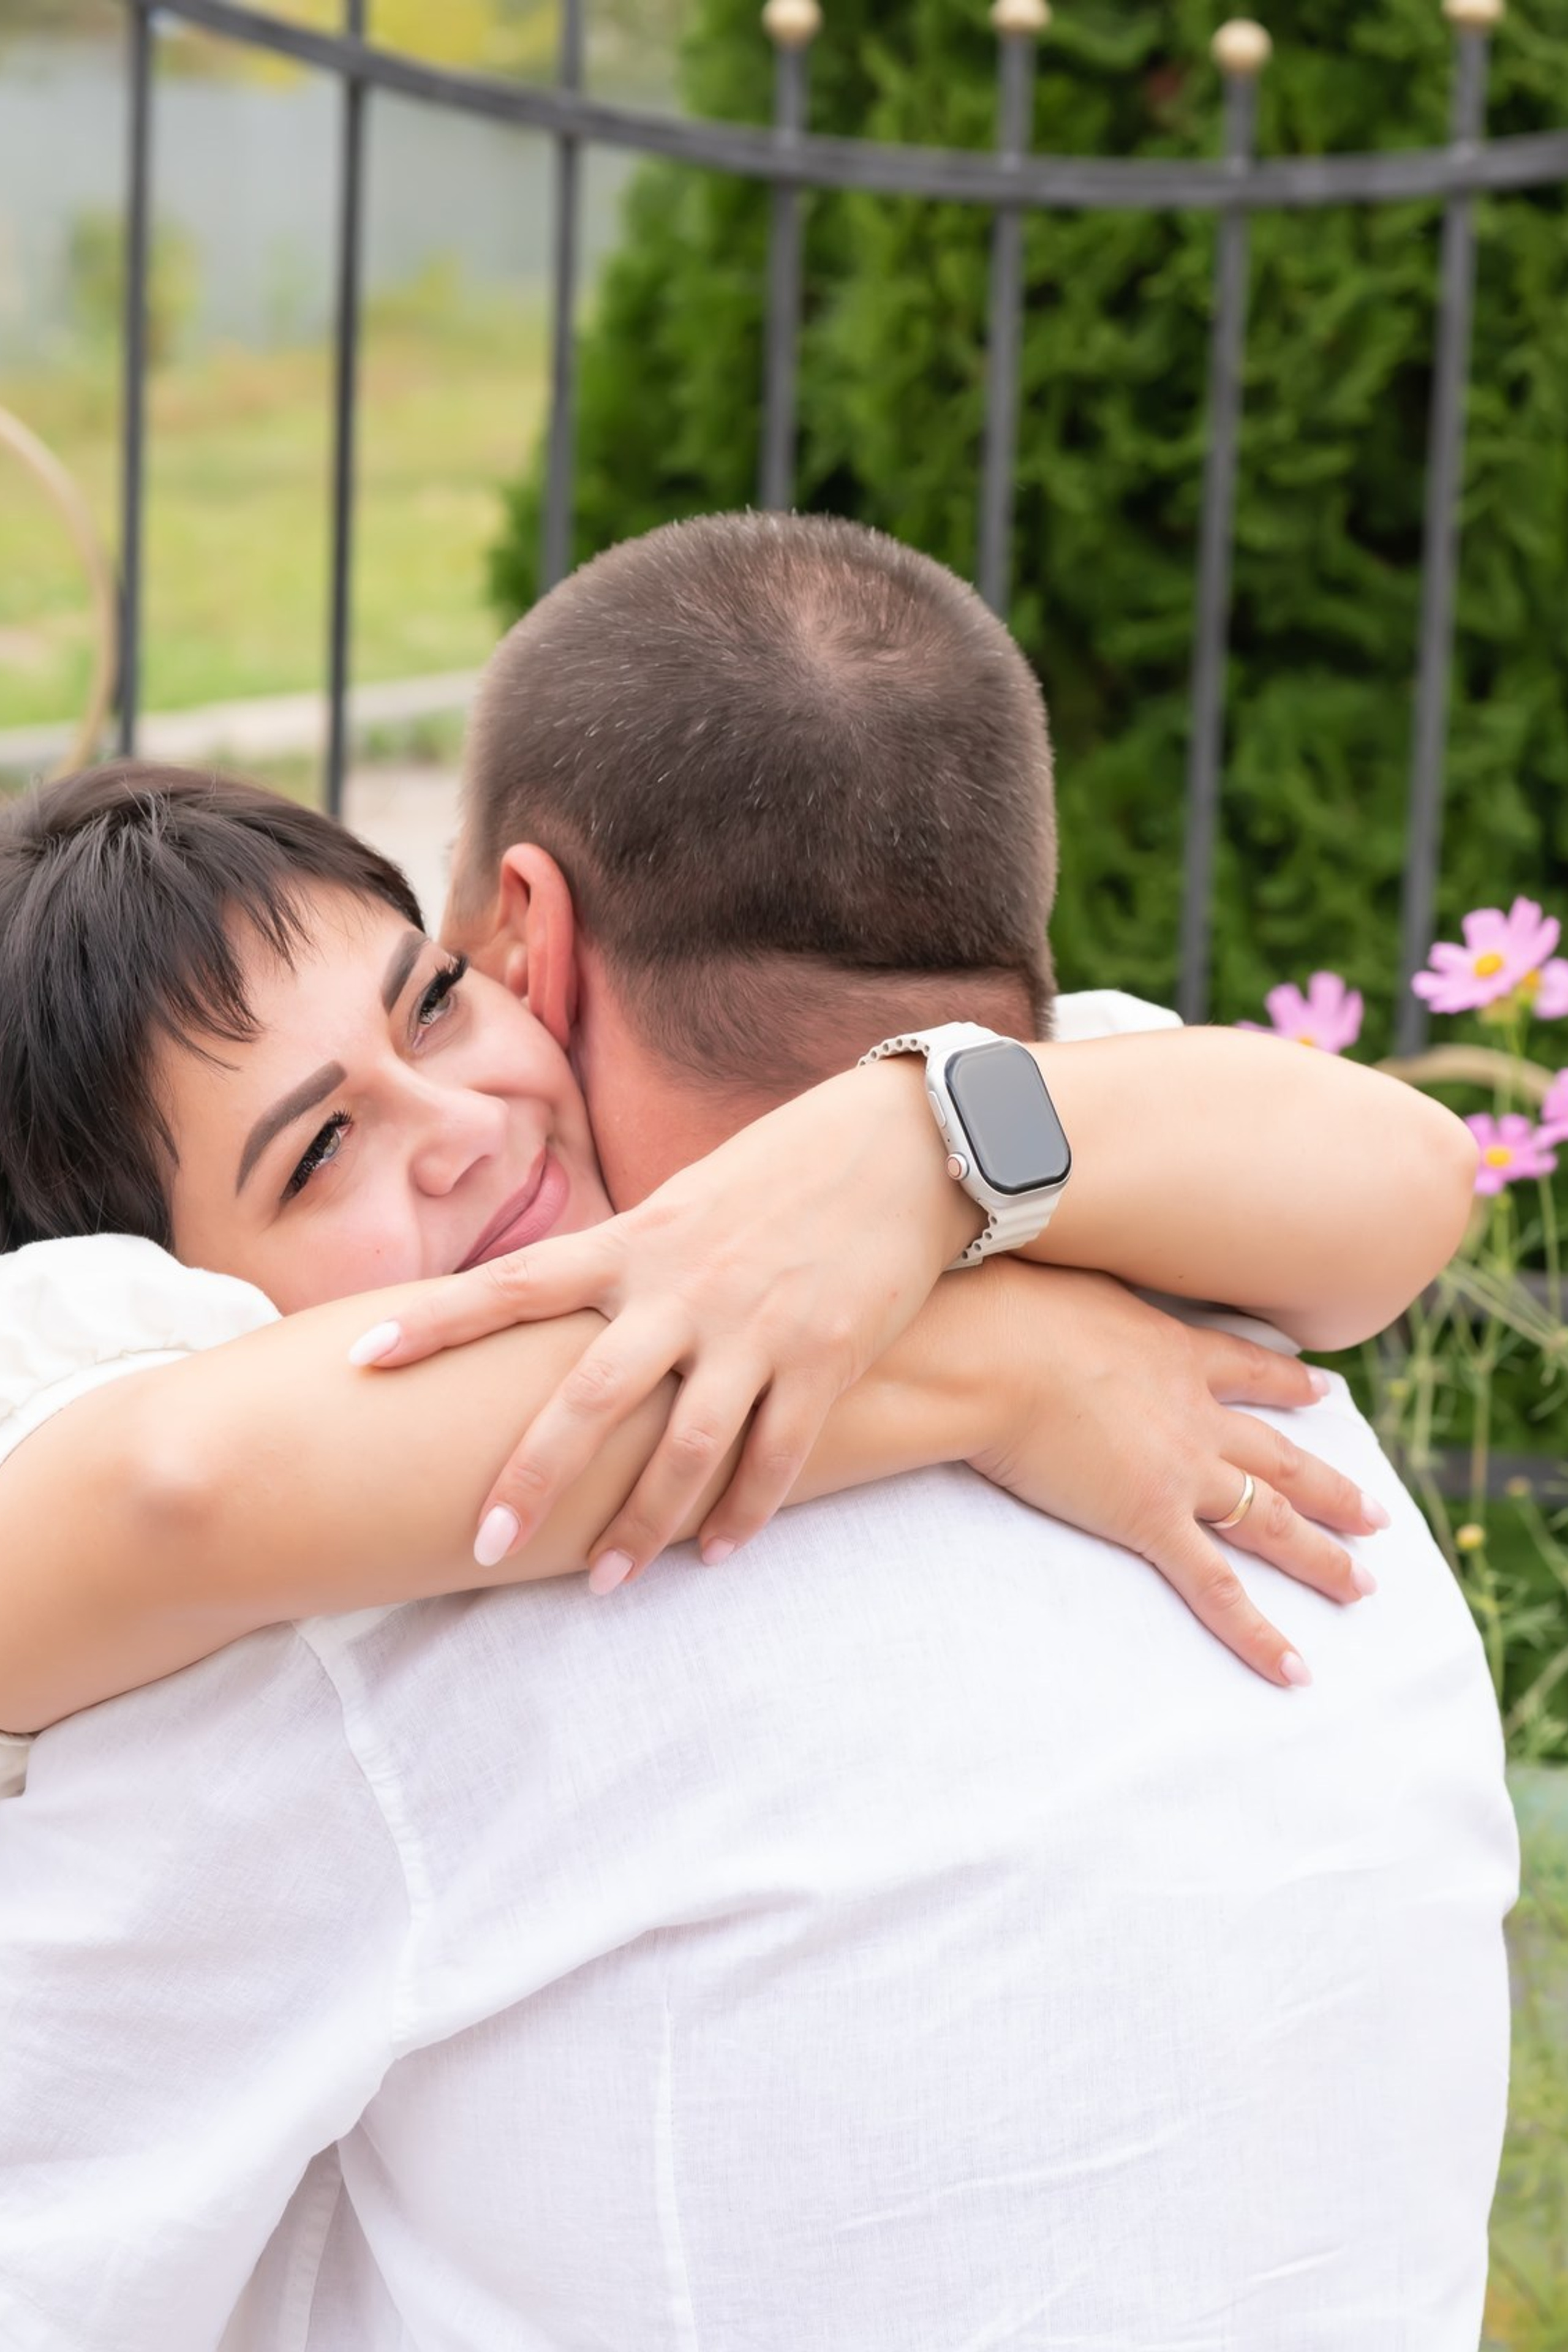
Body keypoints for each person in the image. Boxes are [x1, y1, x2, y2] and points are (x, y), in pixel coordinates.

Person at [0, 518, 1513, 2346]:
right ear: (178, 1303)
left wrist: (913, 1151)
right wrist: (990, 1352)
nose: (460, 1124)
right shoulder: (1143, 1286)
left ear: (518, 940)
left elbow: (1412, 1168)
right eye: (319, 1153)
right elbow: (172, 1481)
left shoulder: (1030, 1196)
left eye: (434, 1002)